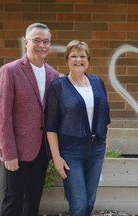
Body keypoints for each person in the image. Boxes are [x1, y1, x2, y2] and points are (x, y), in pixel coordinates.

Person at [0, 23, 59, 216]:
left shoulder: (53, 74)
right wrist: (9, 152)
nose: (42, 45)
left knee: (33, 200)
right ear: (26, 42)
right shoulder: (10, 71)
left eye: (46, 41)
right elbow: (2, 115)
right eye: (37, 40)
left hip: (41, 149)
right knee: (13, 200)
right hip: (18, 150)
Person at [45, 40, 111, 216]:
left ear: (88, 59)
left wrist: (105, 145)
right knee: (79, 203)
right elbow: (50, 126)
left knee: (90, 200)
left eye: (82, 56)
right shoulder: (58, 87)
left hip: (96, 149)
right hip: (71, 152)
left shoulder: (98, 83)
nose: (78, 60)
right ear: (67, 60)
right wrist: (57, 158)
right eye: (74, 56)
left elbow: (105, 119)